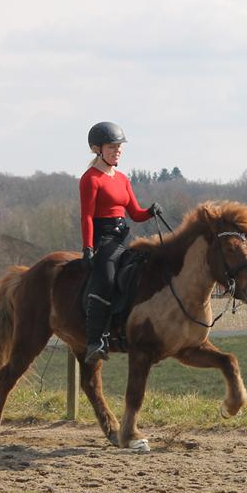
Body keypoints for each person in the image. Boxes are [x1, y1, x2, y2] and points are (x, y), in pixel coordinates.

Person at [79, 121, 161, 363]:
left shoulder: (123, 178)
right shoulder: (90, 179)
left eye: (119, 146)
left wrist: (151, 211)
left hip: (124, 237)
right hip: (103, 239)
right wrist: (88, 247)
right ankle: (95, 340)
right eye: (113, 146)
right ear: (97, 149)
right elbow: (86, 216)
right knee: (105, 279)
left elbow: (134, 213)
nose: (118, 150)